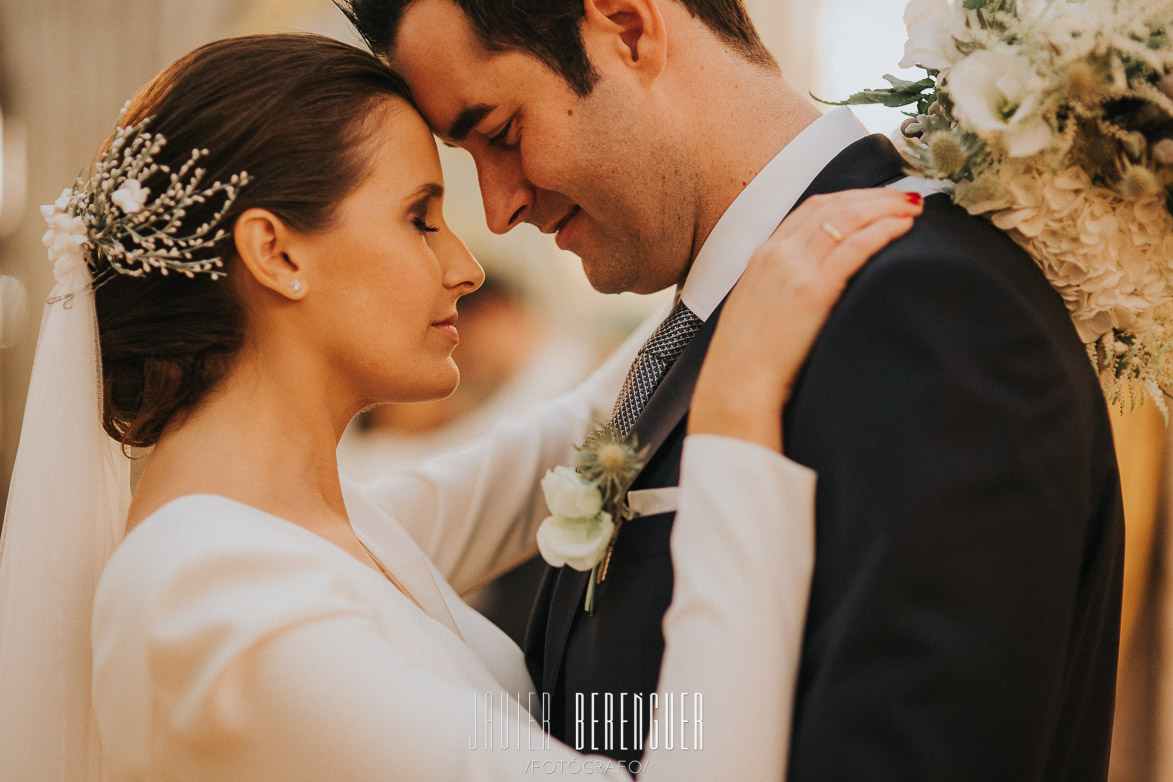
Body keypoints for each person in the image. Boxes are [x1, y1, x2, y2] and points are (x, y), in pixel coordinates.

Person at [0, 34, 920, 781]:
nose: (466, 267)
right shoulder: (210, 599)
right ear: (278, 254)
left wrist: (776, 216)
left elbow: (557, 443)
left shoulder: (322, 526)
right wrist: (736, 420)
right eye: (421, 216)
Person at [342, 0, 1126, 778]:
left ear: (627, 27)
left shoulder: (924, 306)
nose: (499, 207)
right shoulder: (703, 329)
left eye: (502, 134)